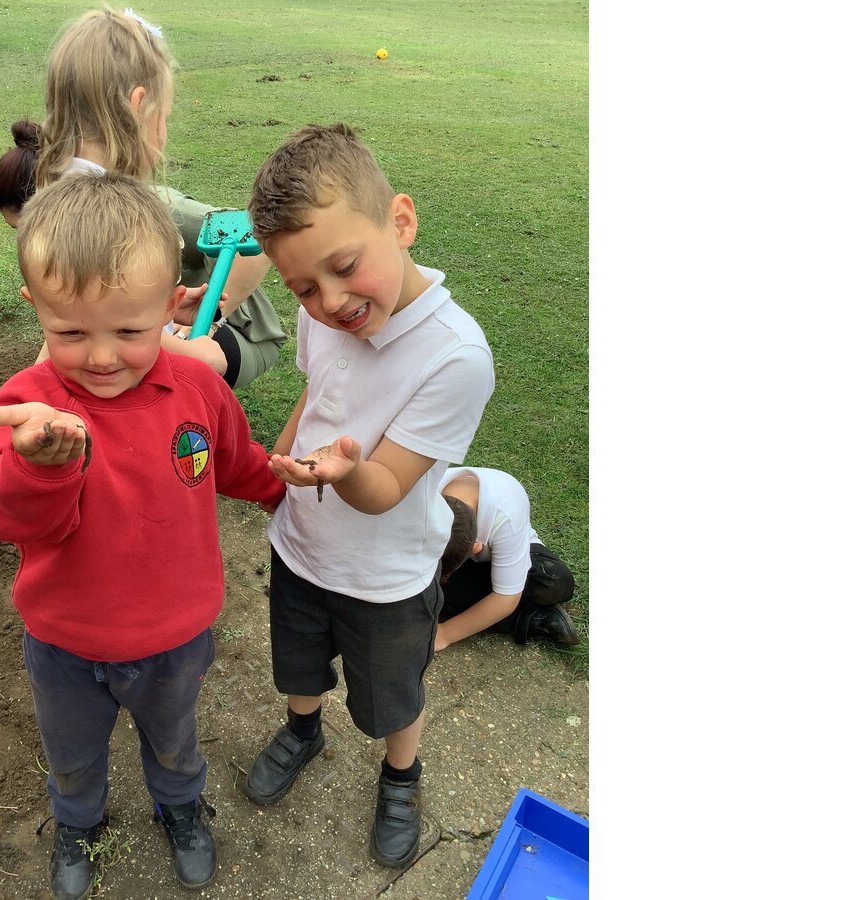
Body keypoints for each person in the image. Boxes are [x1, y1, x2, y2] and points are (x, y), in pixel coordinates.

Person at [0, 172, 285, 898]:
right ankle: (77, 821)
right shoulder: (27, 409)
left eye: (129, 331)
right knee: (72, 751)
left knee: (175, 742)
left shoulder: (198, 388)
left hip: (175, 638)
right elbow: (5, 520)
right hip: (65, 642)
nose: (102, 356)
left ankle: (181, 807)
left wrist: (284, 488)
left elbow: (235, 461)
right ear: (36, 307)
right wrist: (43, 467)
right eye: (71, 333)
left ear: (173, 306)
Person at [240, 123, 496, 868]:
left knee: (392, 696)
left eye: (346, 267)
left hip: (385, 579)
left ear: (401, 220)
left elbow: (382, 487)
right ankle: (303, 730)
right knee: (298, 662)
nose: (330, 301)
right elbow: (317, 393)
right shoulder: (321, 316)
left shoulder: (455, 356)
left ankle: (400, 774)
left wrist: (340, 471)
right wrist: (282, 461)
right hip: (301, 550)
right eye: (303, 288)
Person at [31, 5, 286, 389]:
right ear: (138, 106)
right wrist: (195, 354)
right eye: (163, 117)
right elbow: (106, 332)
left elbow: (87, 316)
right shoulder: (106, 206)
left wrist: (159, 307)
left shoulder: (58, 193)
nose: (163, 134)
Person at [436, 466, 580, 651]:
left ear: (476, 547)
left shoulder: (507, 513)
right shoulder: (422, 496)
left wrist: (445, 634)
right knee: (428, 589)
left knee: (555, 582)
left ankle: (491, 610)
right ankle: (529, 618)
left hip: (516, 554)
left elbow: (506, 597)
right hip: (459, 565)